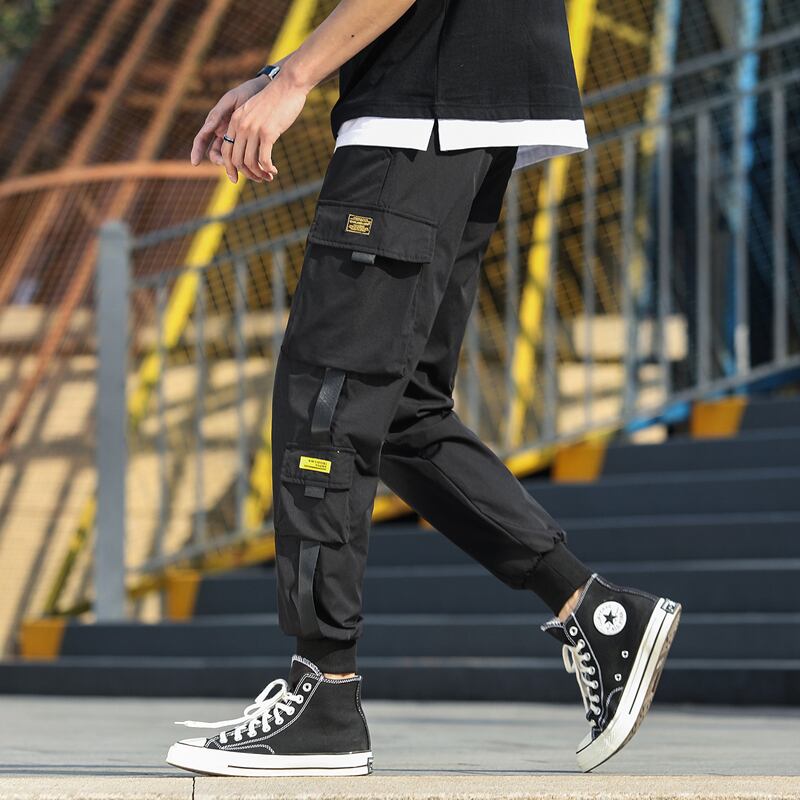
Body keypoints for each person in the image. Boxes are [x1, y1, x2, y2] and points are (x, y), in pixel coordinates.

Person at [166, 0, 681, 777]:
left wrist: (296, 78)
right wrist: (277, 74)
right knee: (400, 408)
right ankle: (599, 613)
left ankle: (325, 697)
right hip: (463, 106)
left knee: (325, 401)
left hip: (418, 116)